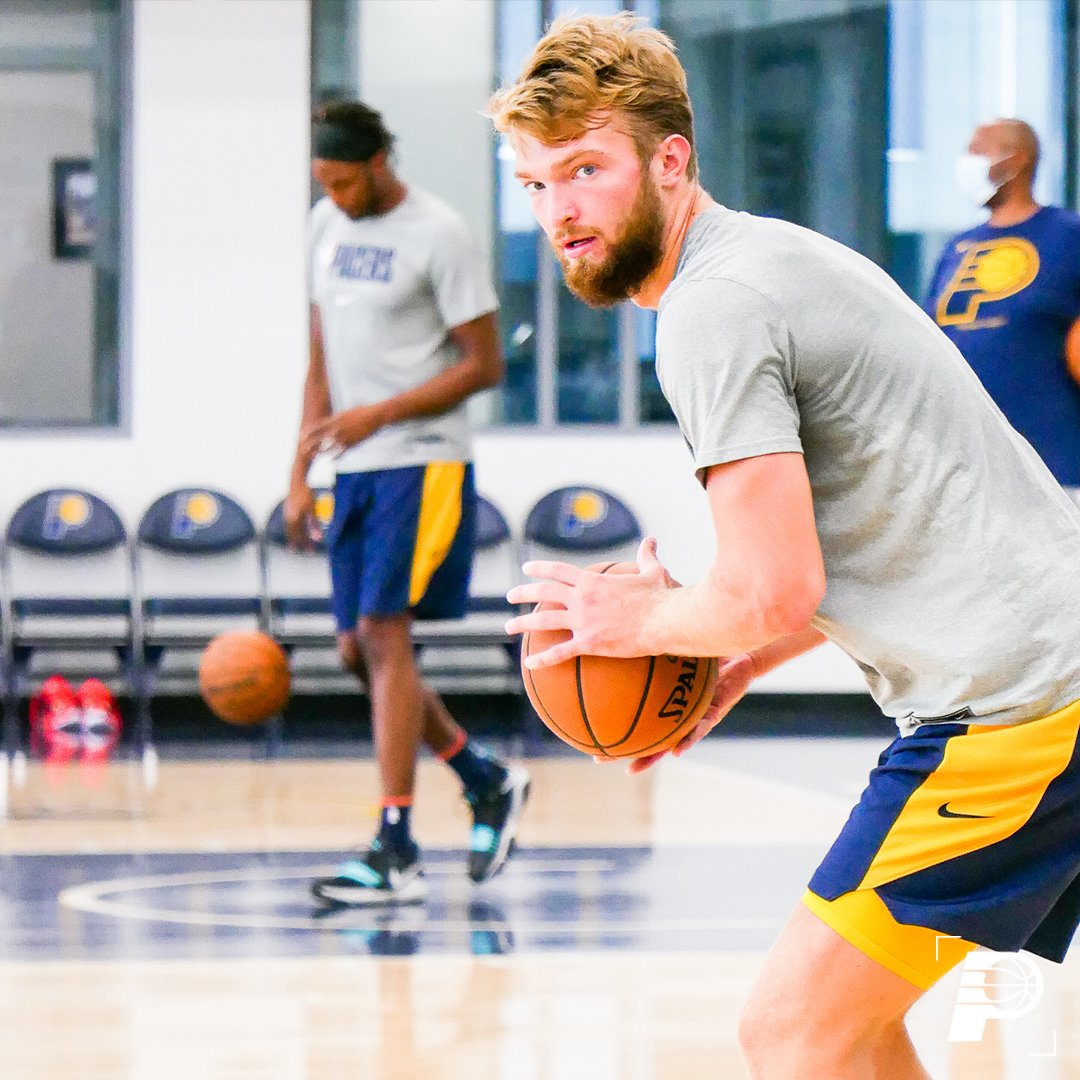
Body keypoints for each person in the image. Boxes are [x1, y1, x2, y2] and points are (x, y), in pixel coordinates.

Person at [487, 14, 1080, 1079]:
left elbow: (773, 587)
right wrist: (734, 659)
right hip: (1043, 680)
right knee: (847, 1030)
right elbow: (869, 538)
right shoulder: (769, 259)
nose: (559, 210)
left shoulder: (712, 308)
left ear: (670, 161)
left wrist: (642, 619)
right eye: (535, 183)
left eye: (585, 169)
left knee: (795, 1032)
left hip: (1022, 708)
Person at [287, 100, 530, 907]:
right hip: (354, 467)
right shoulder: (325, 226)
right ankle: (483, 778)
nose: (335, 196)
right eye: (324, 183)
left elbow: (485, 364)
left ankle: (394, 846)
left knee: (384, 636)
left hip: (422, 461)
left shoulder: (440, 234)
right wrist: (300, 472)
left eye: (345, 182)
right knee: (356, 651)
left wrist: (381, 414)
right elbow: (320, 358)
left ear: (379, 164)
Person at [926, 119, 1080, 486]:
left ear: (1017, 159)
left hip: (1053, 463)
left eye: (979, 150)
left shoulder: (1068, 236)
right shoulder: (957, 249)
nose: (968, 161)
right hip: (966, 467)